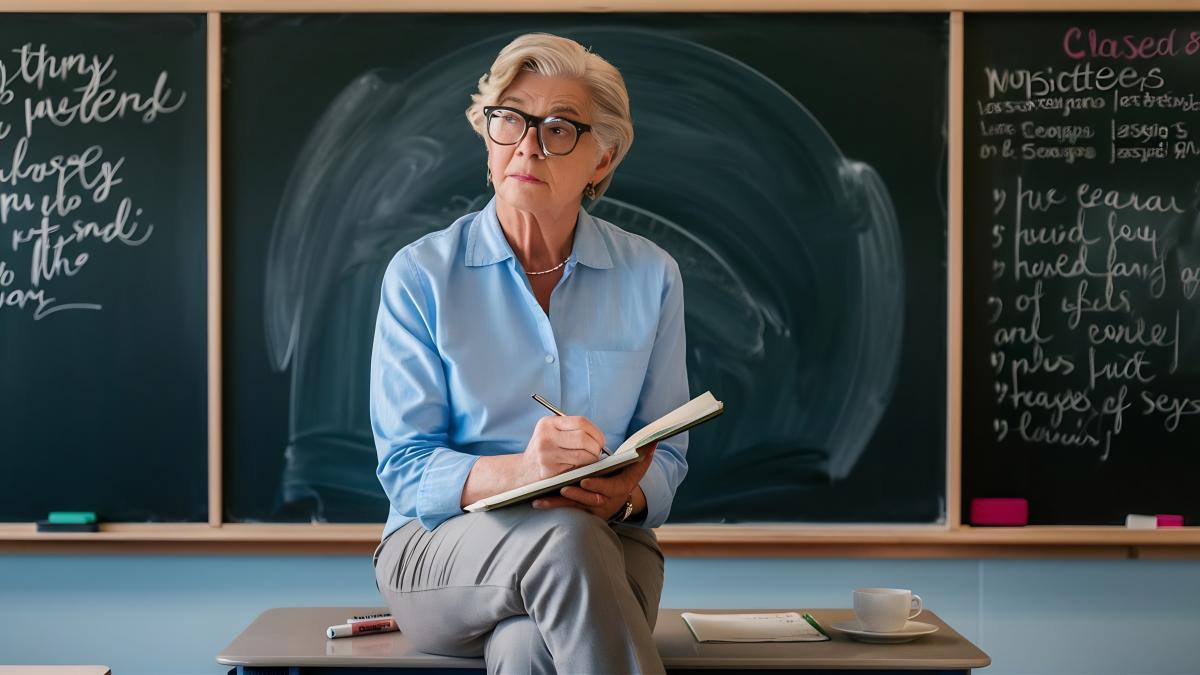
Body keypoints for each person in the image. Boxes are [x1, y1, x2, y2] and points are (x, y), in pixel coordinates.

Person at [370, 32, 689, 674]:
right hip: (438, 554)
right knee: (563, 540)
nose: (528, 144)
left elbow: (670, 450)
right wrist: (524, 471)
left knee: (527, 648)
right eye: (509, 119)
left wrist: (625, 495)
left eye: (558, 128)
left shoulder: (651, 276)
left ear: (601, 160)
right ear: (488, 136)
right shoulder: (421, 276)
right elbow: (405, 467)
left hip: (611, 545)